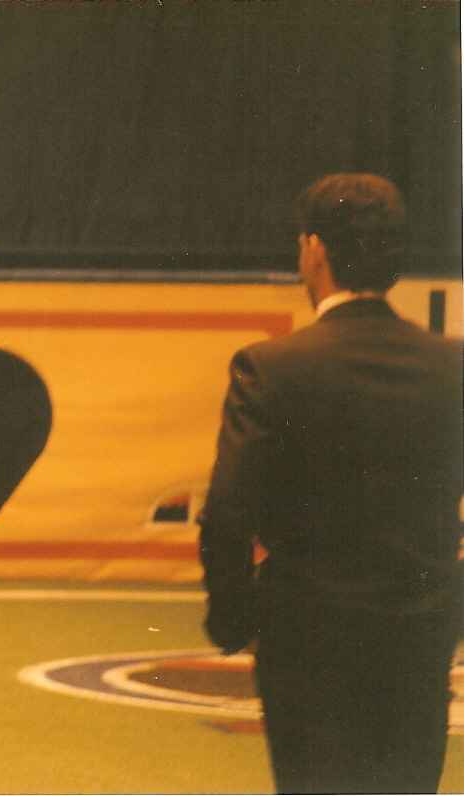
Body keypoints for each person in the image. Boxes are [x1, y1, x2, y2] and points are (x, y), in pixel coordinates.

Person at [199, 173, 462, 793]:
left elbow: (228, 514)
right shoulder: (451, 369)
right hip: (416, 636)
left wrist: (236, 622)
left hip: (307, 640)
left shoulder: (273, 368)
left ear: (315, 251)